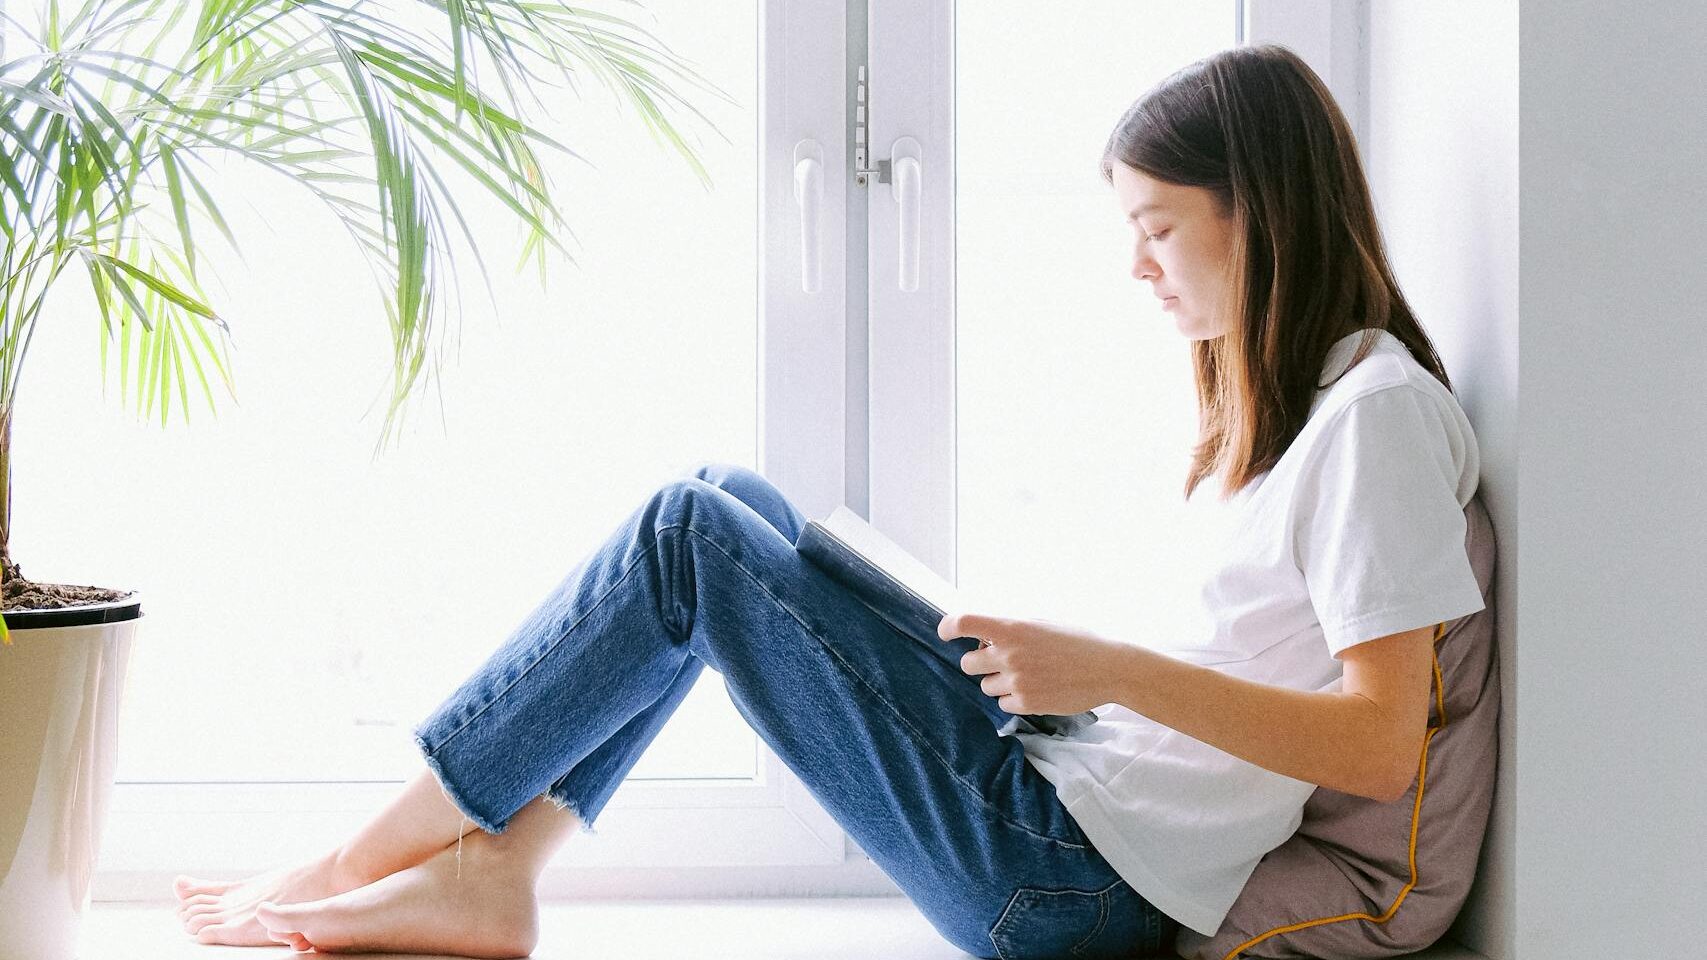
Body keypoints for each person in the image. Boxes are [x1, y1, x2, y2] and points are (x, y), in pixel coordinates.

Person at [173, 42, 1485, 959]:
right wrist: (1072, 679)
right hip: (1064, 809)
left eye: (1156, 226)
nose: (1136, 266)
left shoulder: (1375, 423)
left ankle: (361, 864)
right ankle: (497, 869)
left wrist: (1111, 669)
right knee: (724, 497)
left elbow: (1381, 744)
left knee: (687, 541)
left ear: (1255, 218)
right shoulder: (1308, 408)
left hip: (1061, 882)